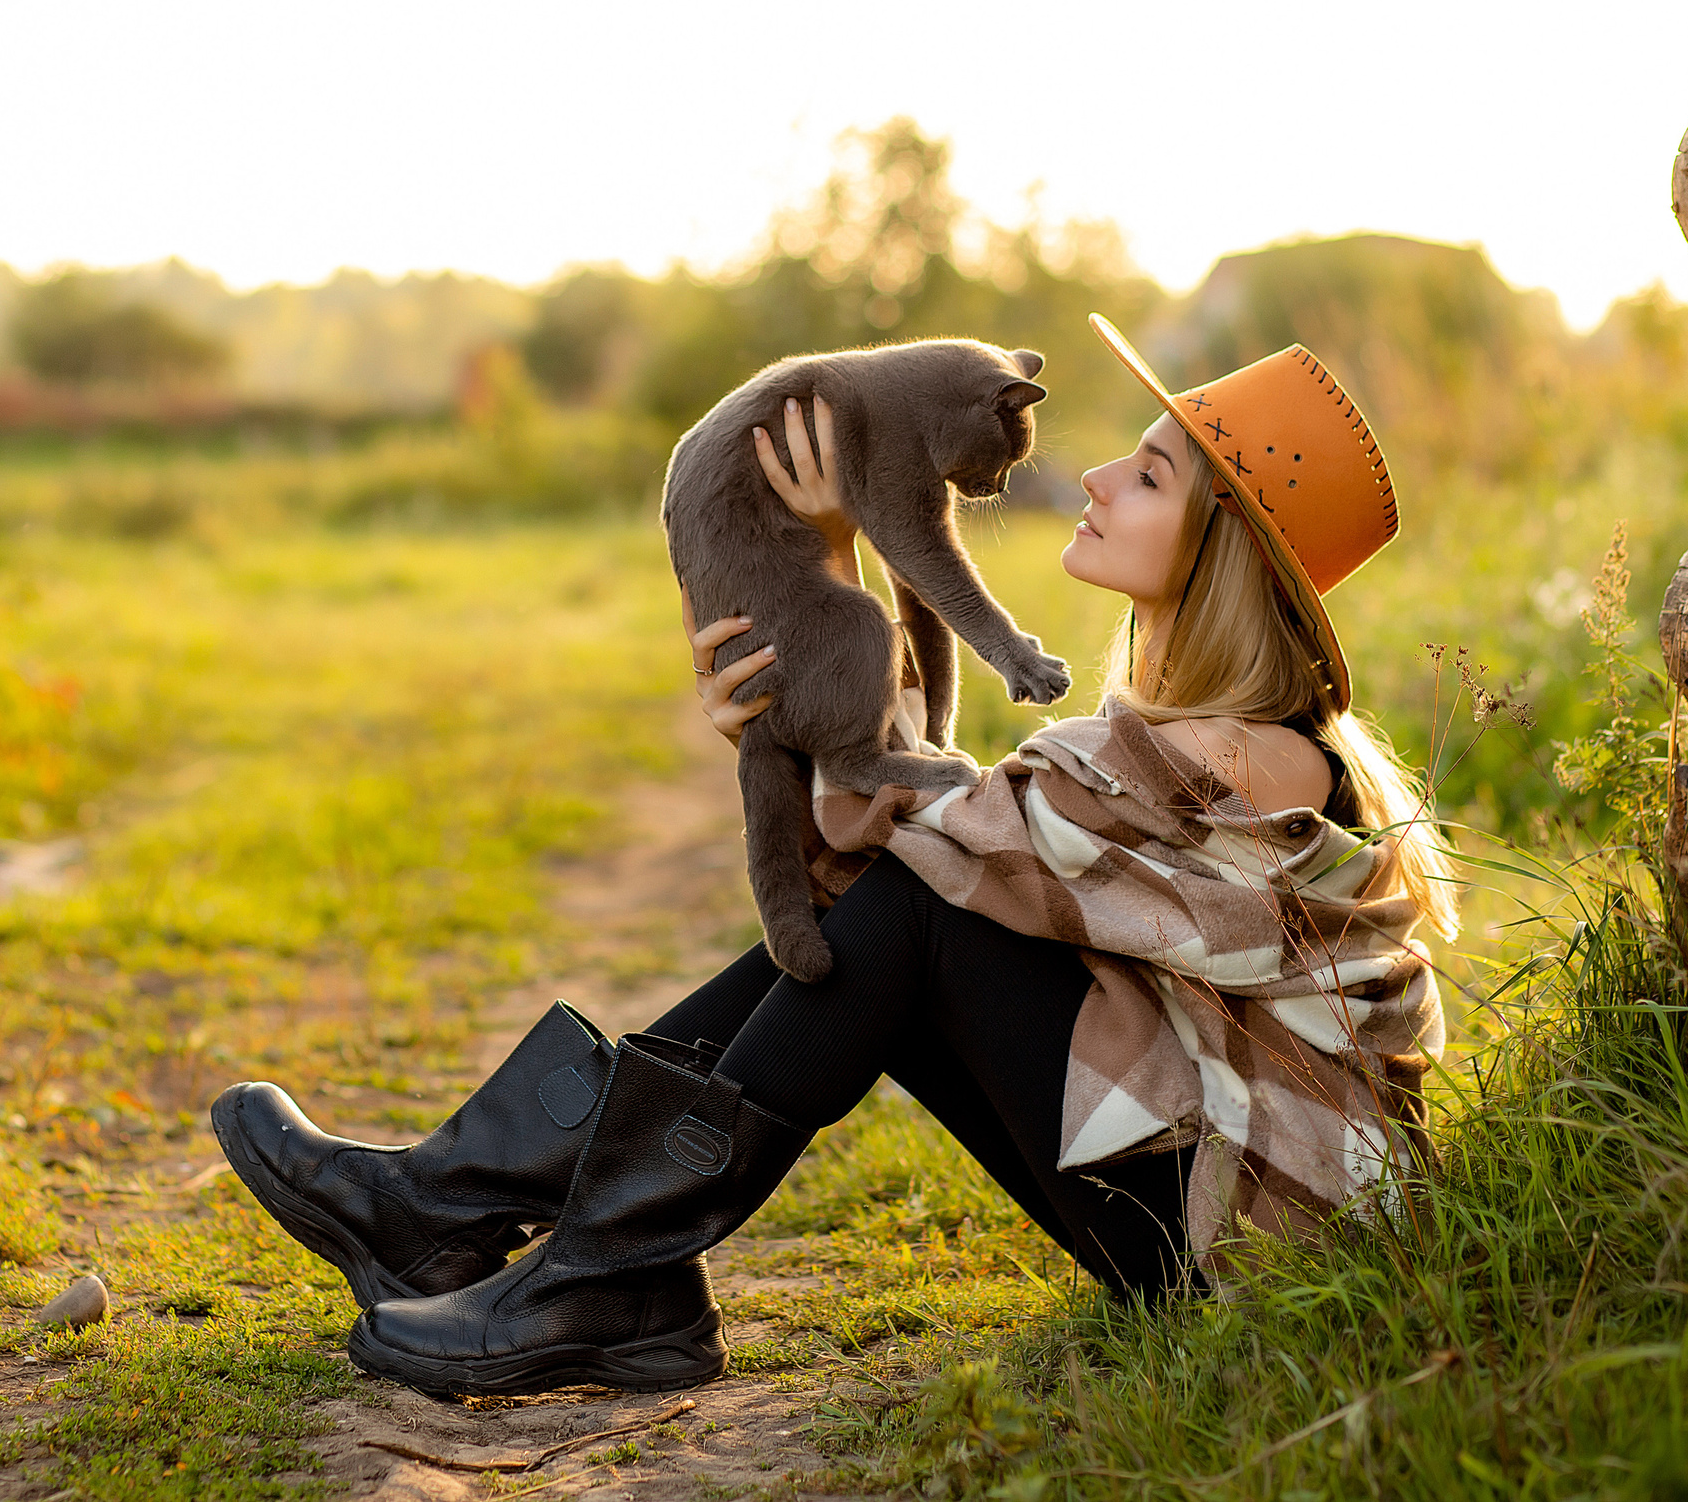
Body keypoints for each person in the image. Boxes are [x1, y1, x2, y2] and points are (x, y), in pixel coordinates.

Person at [212, 316, 1456, 1398]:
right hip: (1171, 1190)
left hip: (1225, 1246)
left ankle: (561, 1253)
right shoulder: (1215, 741)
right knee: (899, 912)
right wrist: (810, 658)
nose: (1091, 475)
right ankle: (484, 1219)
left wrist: (831, 561)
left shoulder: (1234, 758)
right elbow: (894, 848)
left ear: (1217, 547)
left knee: (922, 911)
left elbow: (919, 847)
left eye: (1146, 474)